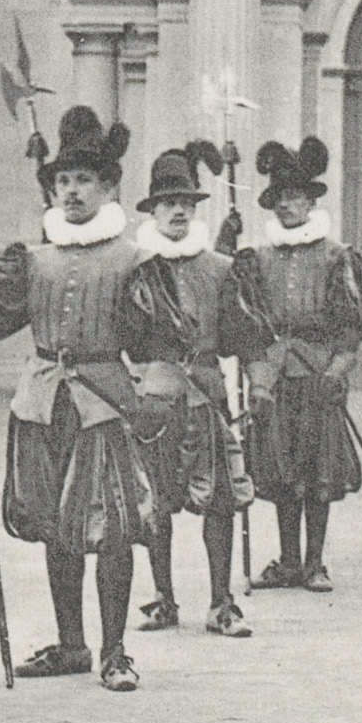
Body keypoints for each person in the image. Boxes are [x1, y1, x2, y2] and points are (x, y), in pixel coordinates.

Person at [0, 107, 158, 693]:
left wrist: (156, 395)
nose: (71, 192)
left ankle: (115, 651)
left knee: (113, 527)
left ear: (109, 188)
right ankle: (73, 645)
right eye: (62, 182)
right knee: (55, 525)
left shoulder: (134, 259)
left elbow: (158, 339)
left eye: (83, 182)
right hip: (41, 403)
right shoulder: (34, 260)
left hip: (103, 404)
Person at [220, 137, 362, 594]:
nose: (289, 205)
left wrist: (337, 370)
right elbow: (243, 325)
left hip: (318, 377)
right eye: (282, 198)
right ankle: (288, 561)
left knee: (317, 473)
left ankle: (314, 563)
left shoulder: (336, 256)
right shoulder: (255, 260)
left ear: (311, 201)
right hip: (273, 379)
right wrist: (258, 378)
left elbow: (353, 325)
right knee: (282, 472)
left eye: (297, 197)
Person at [125, 141, 255, 639]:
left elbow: (244, 335)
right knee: (157, 503)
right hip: (154, 398)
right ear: (153, 210)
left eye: (187, 203)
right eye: (168, 203)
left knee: (219, 500)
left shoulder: (220, 269)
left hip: (206, 395)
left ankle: (222, 602)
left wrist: (258, 384)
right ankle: (164, 598)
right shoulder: (134, 268)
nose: (178, 210)